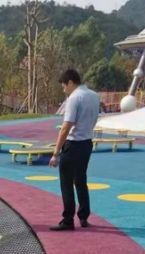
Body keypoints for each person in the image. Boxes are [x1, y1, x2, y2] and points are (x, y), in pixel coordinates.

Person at [49, 69, 100, 230]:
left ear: (70, 82)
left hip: (73, 144)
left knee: (66, 182)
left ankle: (68, 219)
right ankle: (83, 216)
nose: (64, 90)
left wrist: (56, 153)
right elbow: (94, 119)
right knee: (81, 180)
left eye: (64, 86)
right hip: (87, 143)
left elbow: (66, 127)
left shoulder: (74, 98)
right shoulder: (94, 95)